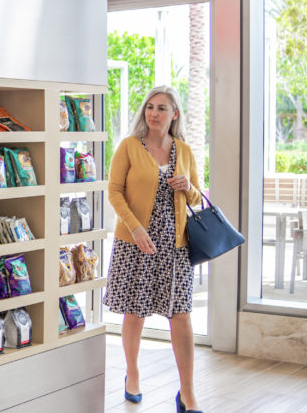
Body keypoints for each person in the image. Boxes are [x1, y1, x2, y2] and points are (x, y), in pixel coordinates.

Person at [105, 86, 202, 413]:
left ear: (175, 114)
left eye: (162, 108)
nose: (154, 113)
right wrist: (135, 228)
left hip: (176, 245)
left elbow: (198, 199)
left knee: (181, 315)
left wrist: (188, 187)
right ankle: (132, 374)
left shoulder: (184, 151)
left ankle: (187, 394)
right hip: (137, 243)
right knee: (136, 312)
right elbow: (115, 192)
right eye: (150, 107)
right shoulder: (129, 147)